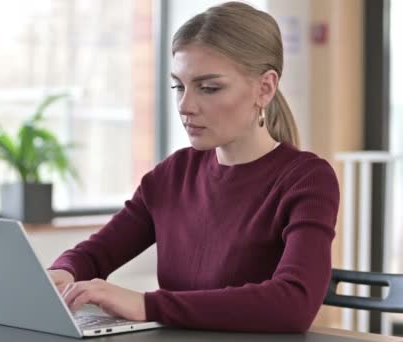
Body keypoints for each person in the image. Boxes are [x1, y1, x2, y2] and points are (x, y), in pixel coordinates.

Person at [47, 1, 340, 333]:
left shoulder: (307, 180)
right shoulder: (173, 174)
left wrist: (147, 304)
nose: (185, 106)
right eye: (178, 86)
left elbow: (294, 304)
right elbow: (95, 254)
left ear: (265, 88)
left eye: (209, 88)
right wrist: (64, 273)